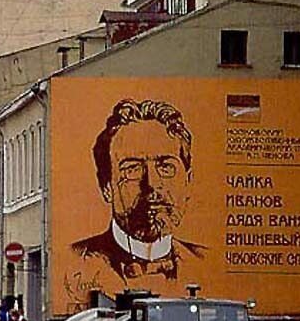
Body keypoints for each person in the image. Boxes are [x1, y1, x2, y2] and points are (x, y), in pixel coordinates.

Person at [70, 98, 205, 283]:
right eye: (132, 169)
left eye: (166, 167)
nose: (151, 184)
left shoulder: (203, 262)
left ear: (187, 180)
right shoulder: (77, 264)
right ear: (106, 186)